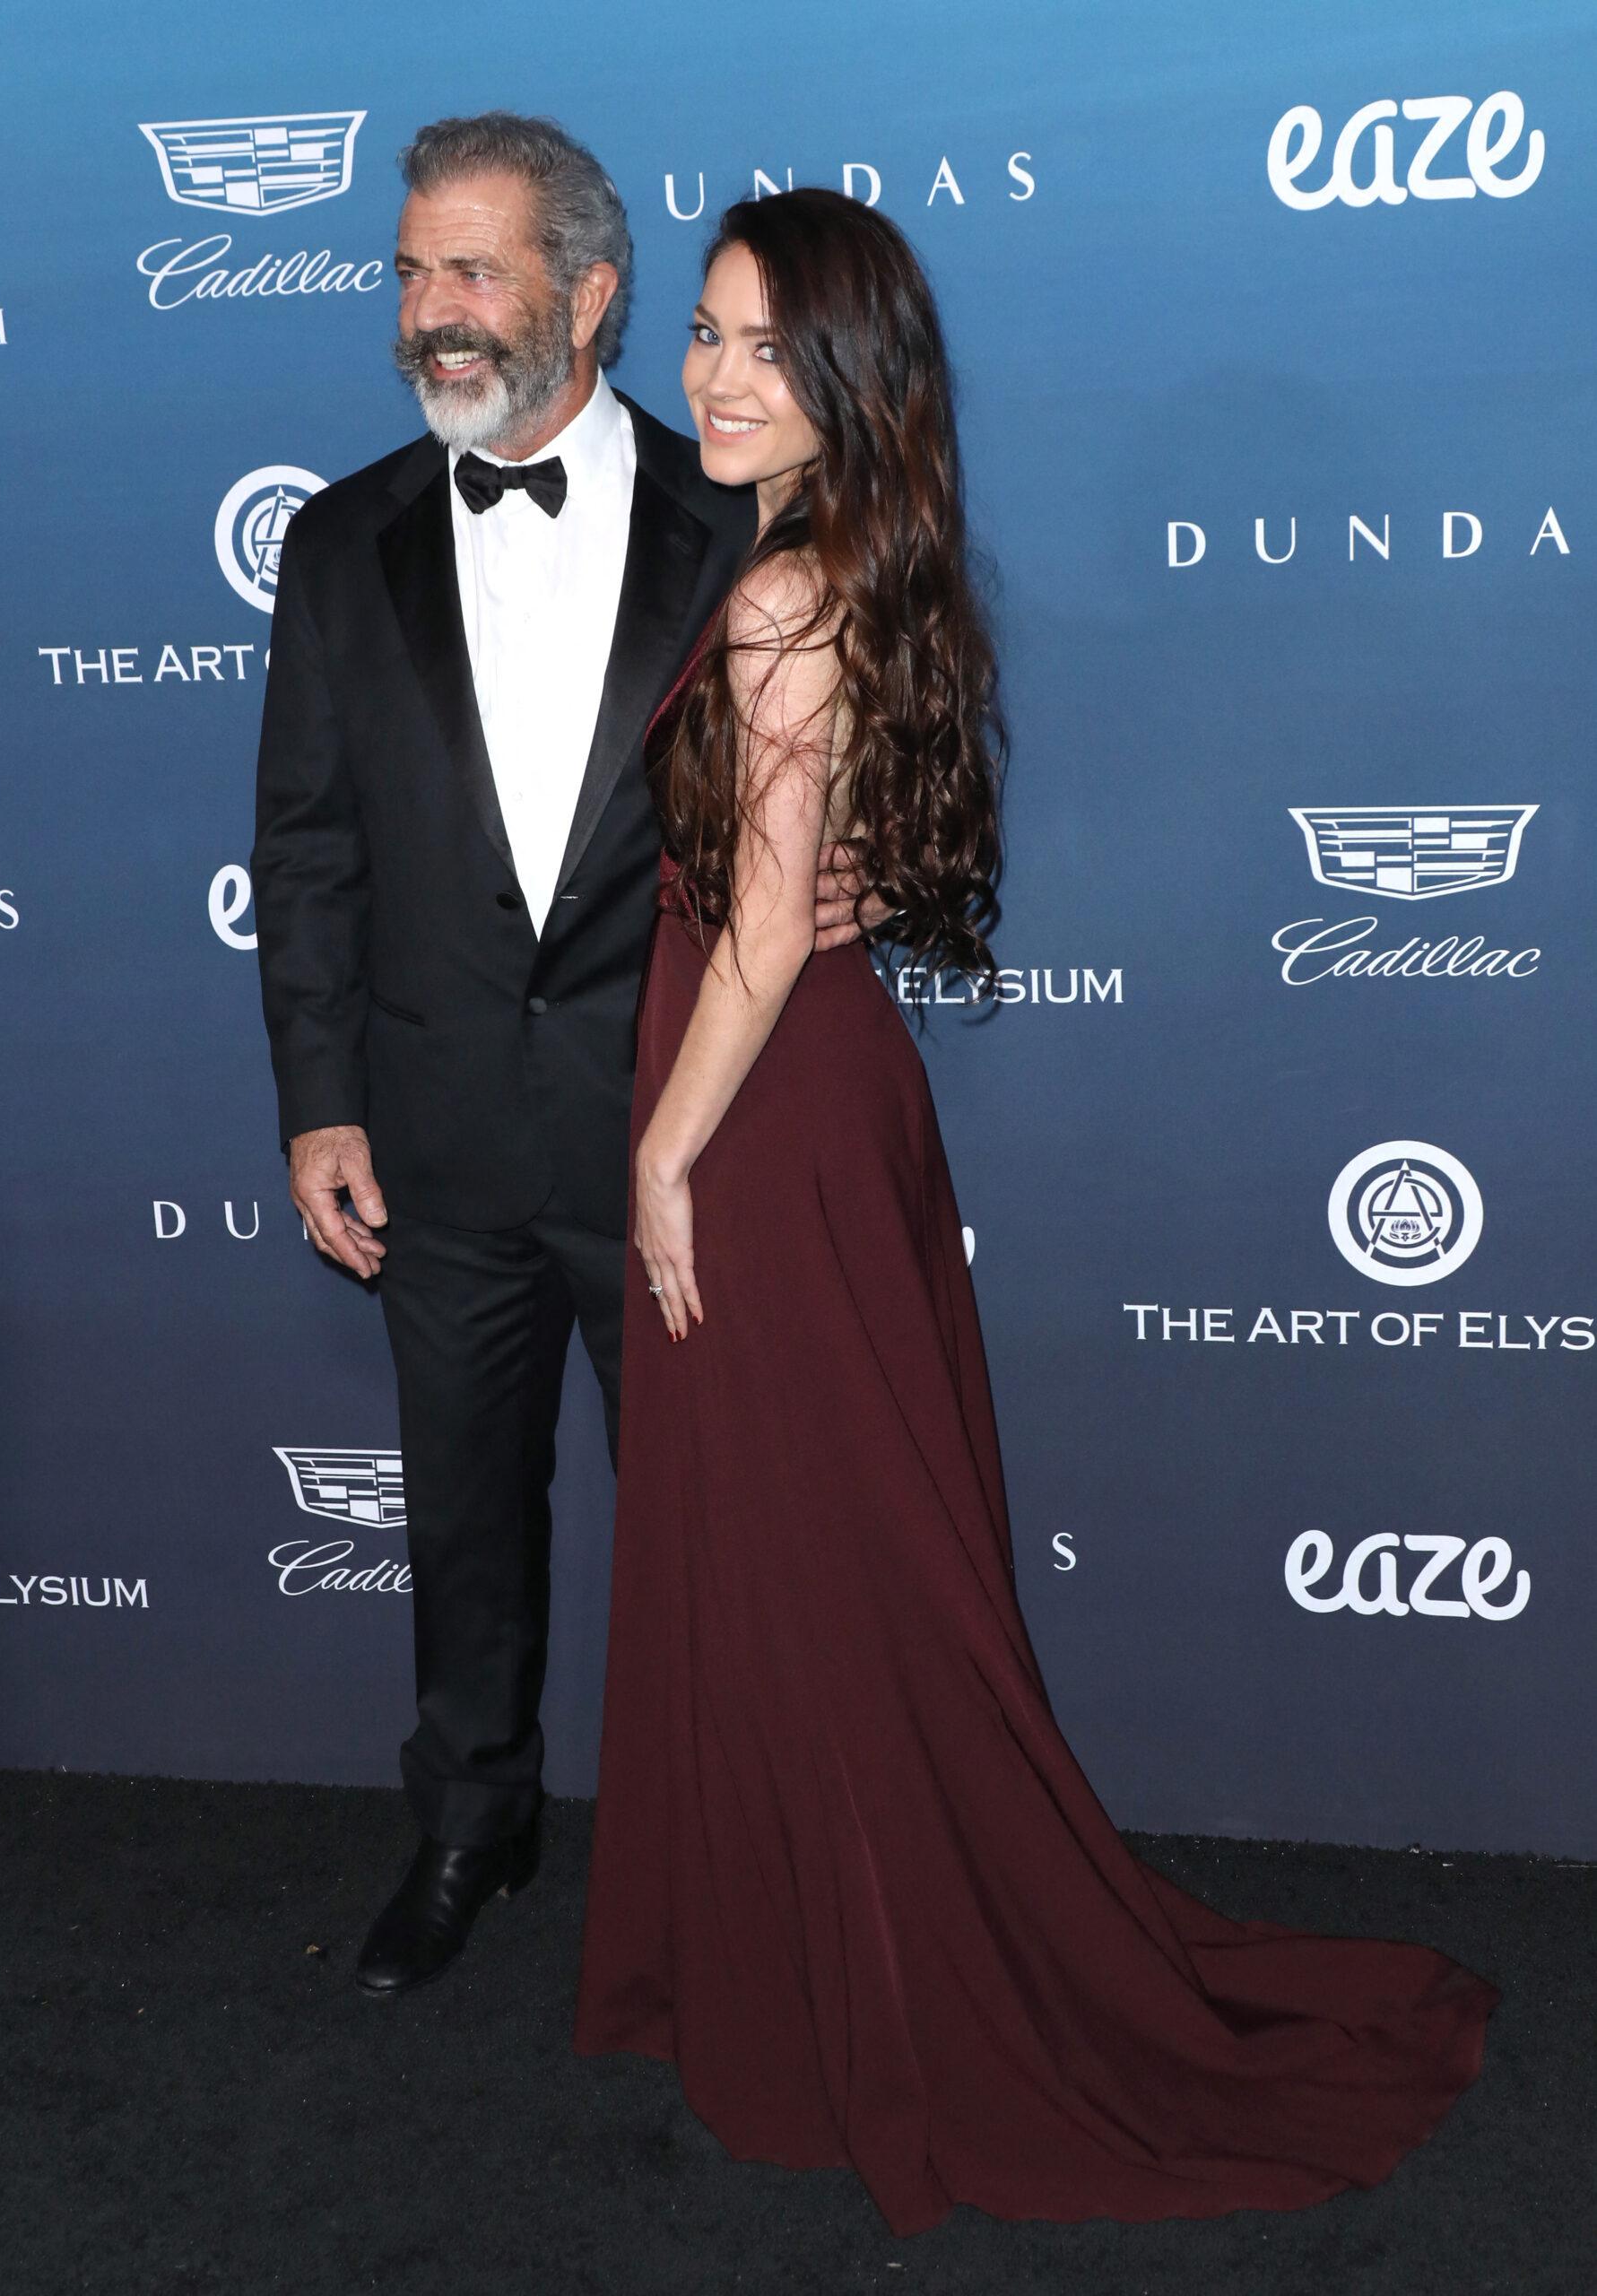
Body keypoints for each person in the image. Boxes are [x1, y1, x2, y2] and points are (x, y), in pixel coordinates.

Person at [573, 187, 1497, 2234]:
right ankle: (800, 1962)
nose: (709, 375)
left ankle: (860, 1995)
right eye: (701, 335)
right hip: (827, 1097)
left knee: (818, 1559)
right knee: (830, 1549)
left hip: (759, 1122)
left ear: (843, 373)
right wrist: (817, 911)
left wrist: (656, 1155)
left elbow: (748, 942)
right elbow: (839, 868)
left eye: (750, 341)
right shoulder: (857, 570)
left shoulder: (780, 599)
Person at [250, 116, 884, 2000]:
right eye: (409, 273)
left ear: (588, 294)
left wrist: (848, 879)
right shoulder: (338, 534)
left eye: (472, 273)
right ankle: (471, 1819)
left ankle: (763, 1853)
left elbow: (858, 768)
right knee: (457, 1508)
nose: (429, 314)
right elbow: (306, 847)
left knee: (730, 1525)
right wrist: (317, 1099)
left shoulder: (743, 515)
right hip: (435, 1134)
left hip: (677, 1128)